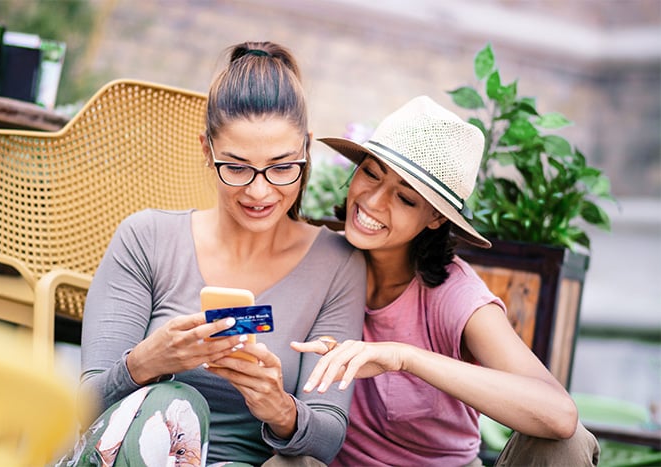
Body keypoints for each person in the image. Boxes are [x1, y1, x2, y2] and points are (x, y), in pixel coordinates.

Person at [59, 41, 366, 467]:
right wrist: (145, 363)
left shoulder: (337, 263)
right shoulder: (147, 238)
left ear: (306, 151)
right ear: (207, 151)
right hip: (125, 457)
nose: (260, 192)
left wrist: (280, 408)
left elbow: (328, 439)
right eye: (237, 168)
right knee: (170, 399)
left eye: (281, 167)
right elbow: (82, 409)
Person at [292, 96, 600, 466]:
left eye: (405, 198)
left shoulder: (456, 296)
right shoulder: (321, 257)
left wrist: (405, 359)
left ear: (436, 218)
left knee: (566, 442)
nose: (373, 201)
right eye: (371, 173)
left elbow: (560, 414)